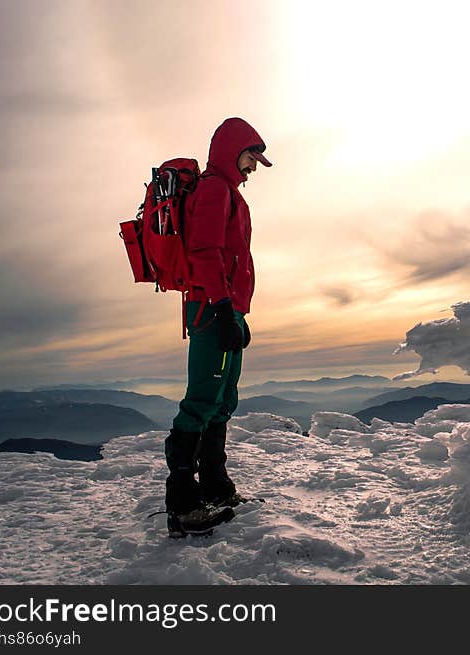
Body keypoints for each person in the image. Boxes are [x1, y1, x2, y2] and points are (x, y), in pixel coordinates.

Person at [164, 117, 272, 537]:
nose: (253, 167)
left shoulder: (229, 194)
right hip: (211, 308)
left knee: (224, 397)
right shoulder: (213, 189)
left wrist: (236, 310)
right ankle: (183, 505)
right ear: (232, 151)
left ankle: (215, 487)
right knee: (203, 397)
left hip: (227, 308)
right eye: (250, 157)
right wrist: (224, 307)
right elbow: (205, 250)